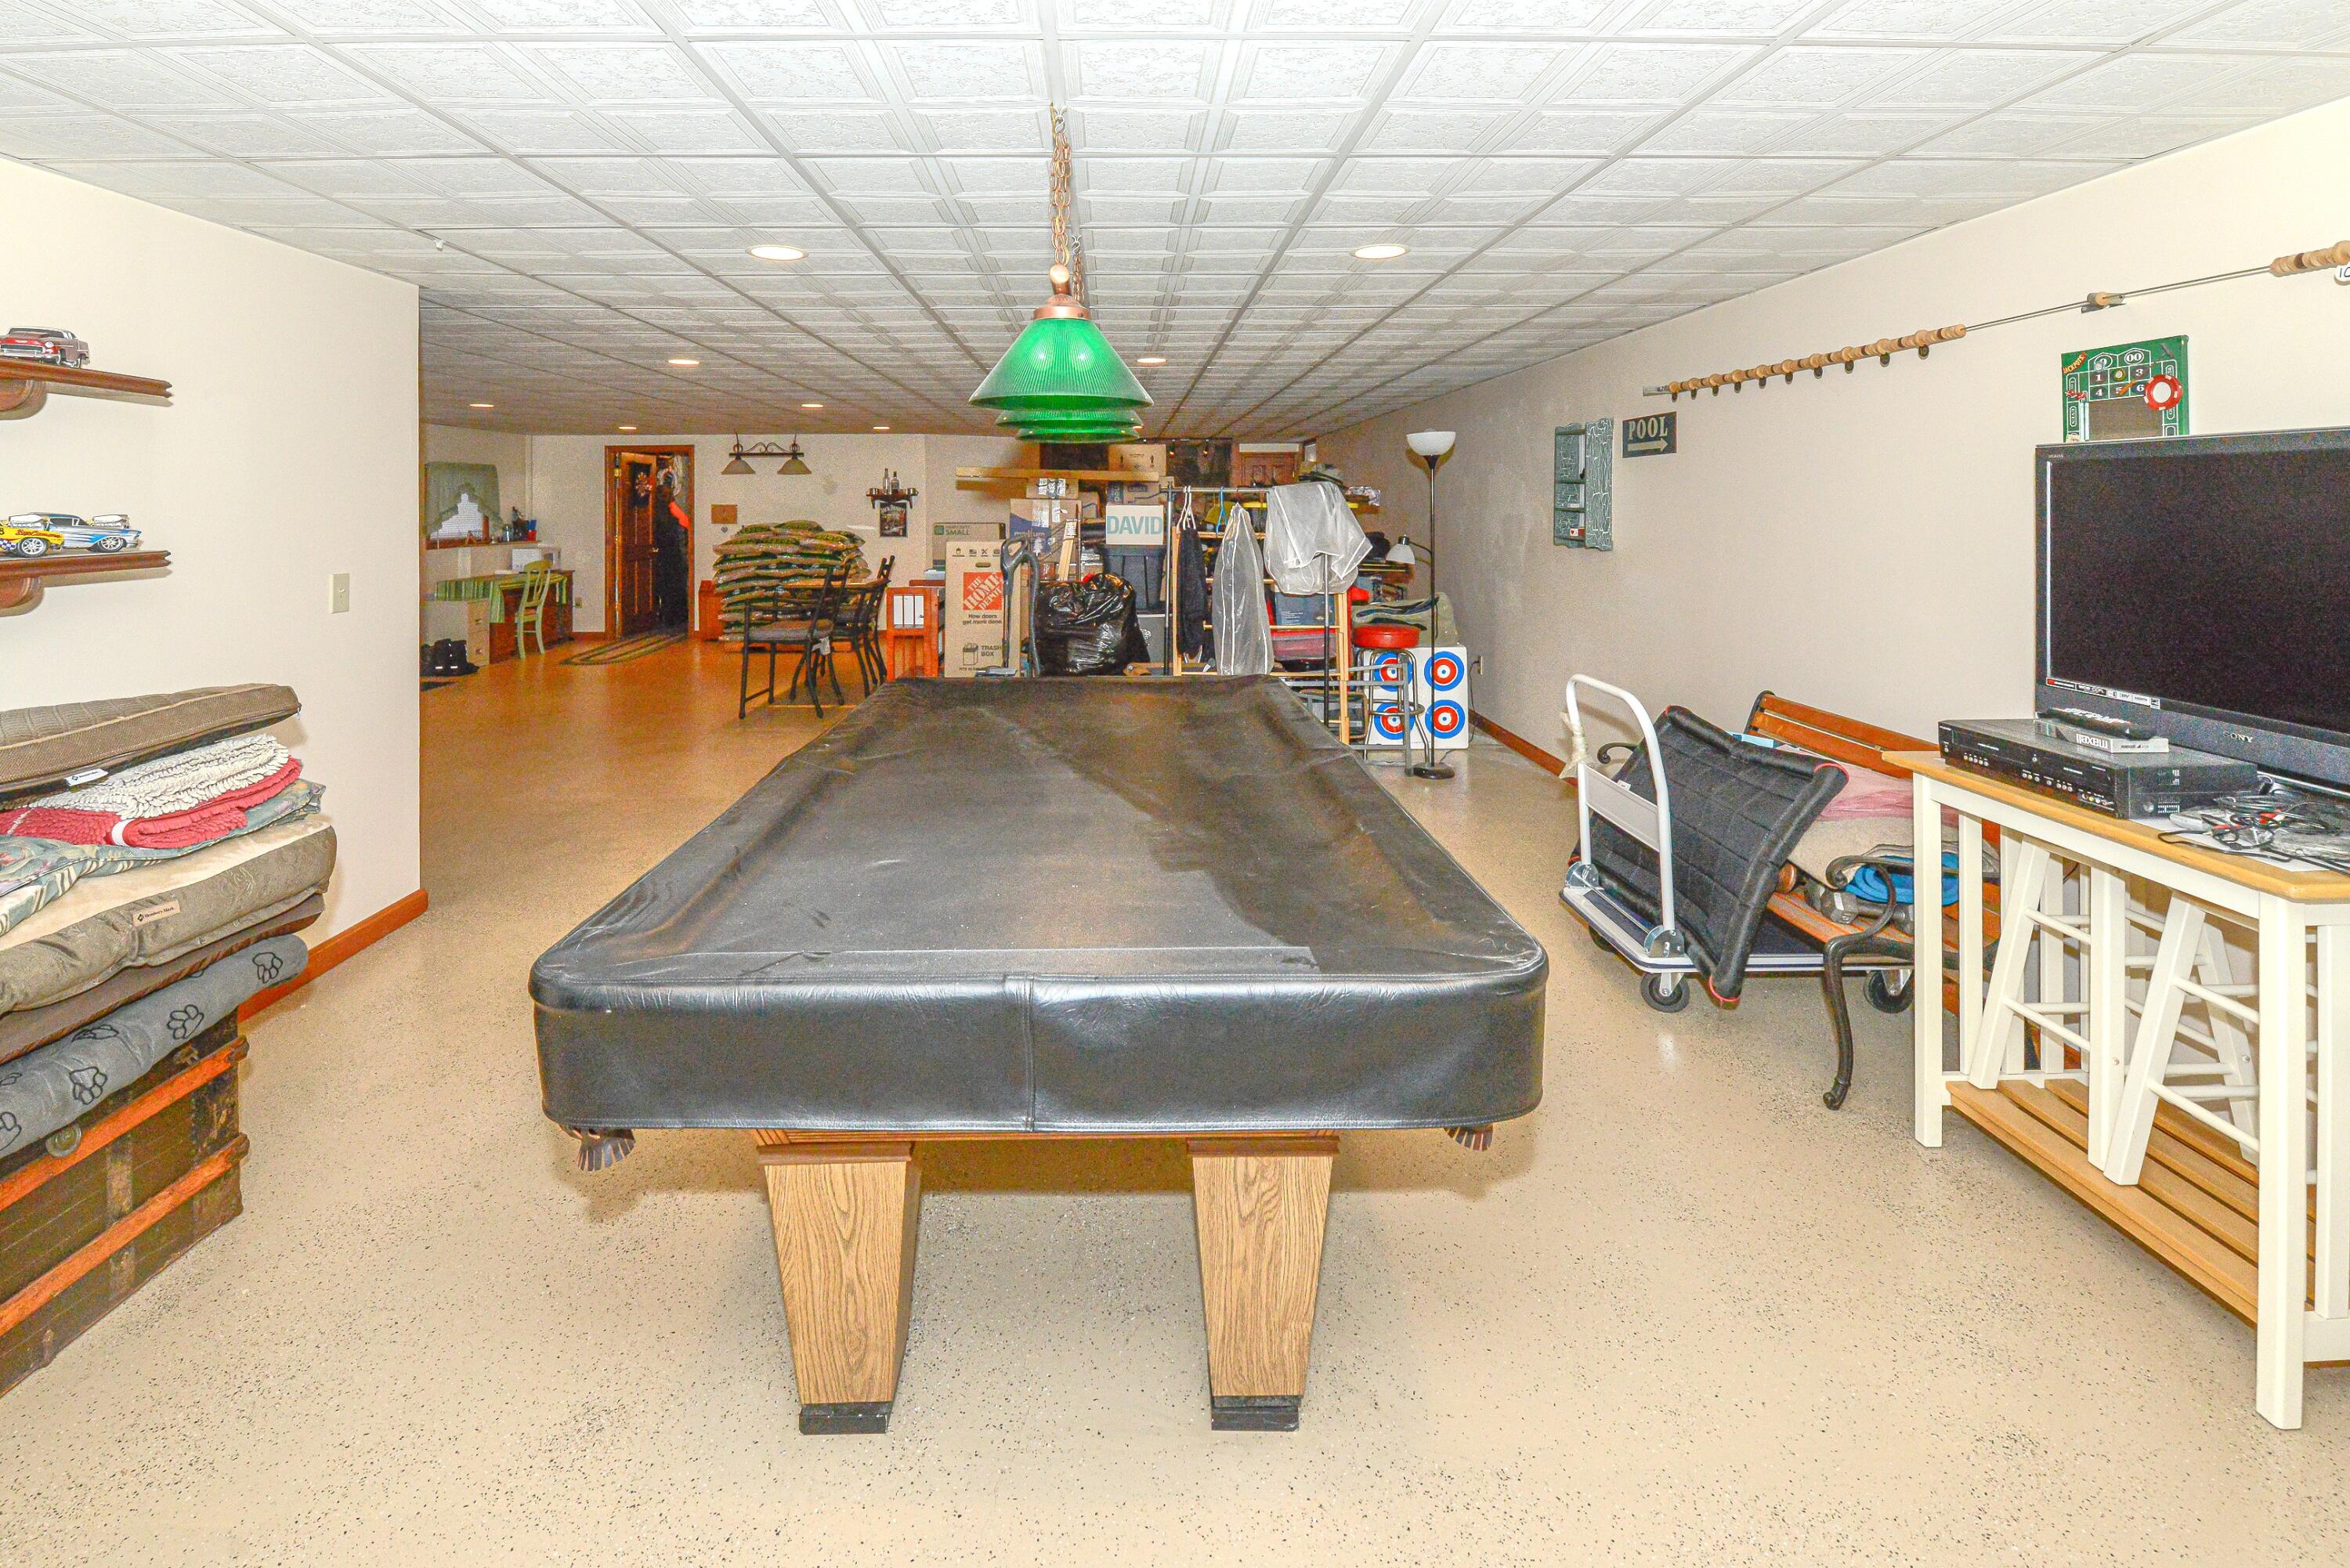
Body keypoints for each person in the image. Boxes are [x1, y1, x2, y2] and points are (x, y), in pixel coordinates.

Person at [652, 473, 690, 629]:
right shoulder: (660, 512)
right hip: (668, 555)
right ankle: (673, 616)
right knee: (671, 587)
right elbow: (686, 524)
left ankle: (672, 616)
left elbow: (686, 524)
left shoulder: (667, 511)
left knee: (671, 587)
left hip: (672, 555)